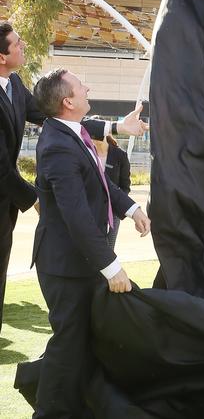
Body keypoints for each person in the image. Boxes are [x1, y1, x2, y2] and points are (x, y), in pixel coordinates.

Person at [0, 21, 146, 334]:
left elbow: (56, 117)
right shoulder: (56, 151)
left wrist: (116, 127)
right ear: (2, 56)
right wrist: (34, 198)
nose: (24, 44)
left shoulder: (13, 84)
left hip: (6, 203)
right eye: (17, 43)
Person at [31, 68, 151, 419]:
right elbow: (77, 218)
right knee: (68, 345)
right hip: (66, 266)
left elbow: (98, 181)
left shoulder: (71, 132)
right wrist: (112, 267)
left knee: (81, 342)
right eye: (81, 86)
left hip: (79, 262)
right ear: (68, 102)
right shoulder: (57, 146)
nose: (88, 88)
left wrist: (131, 208)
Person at [92, 134, 131, 251]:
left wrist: (117, 205)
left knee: (109, 248)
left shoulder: (120, 155)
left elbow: (125, 186)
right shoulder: (86, 152)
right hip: (91, 209)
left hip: (113, 209)